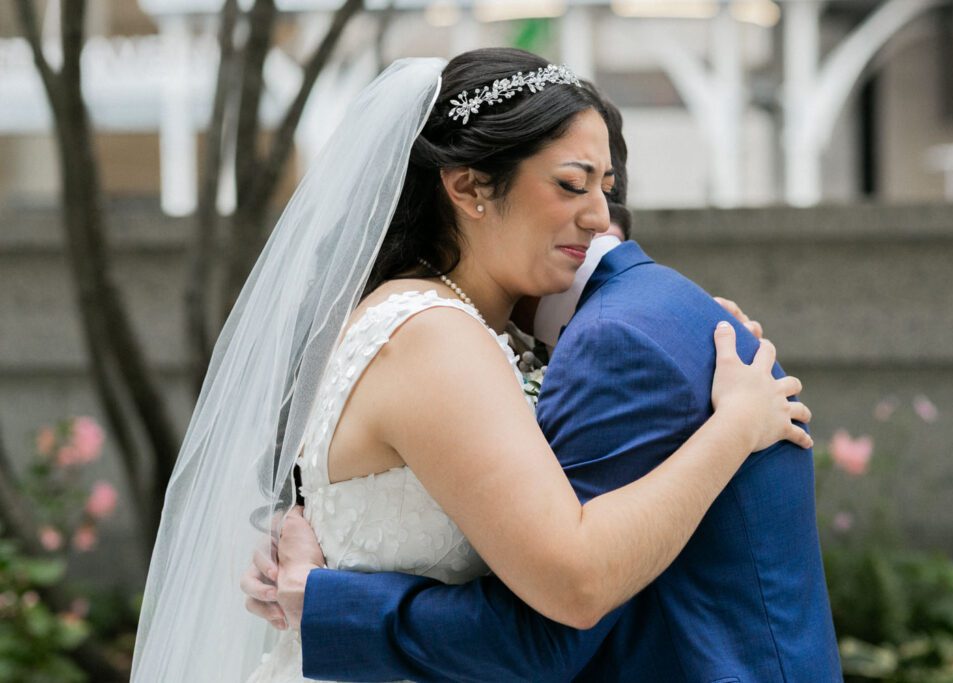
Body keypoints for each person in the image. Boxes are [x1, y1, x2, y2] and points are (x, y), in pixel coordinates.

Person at [132, 49, 810, 682]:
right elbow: (574, 581)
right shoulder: (432, 335)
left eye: (606, 185)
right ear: (469, 188)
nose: (601, 216)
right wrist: (735, 426)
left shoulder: (457, 325)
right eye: (571, 185)